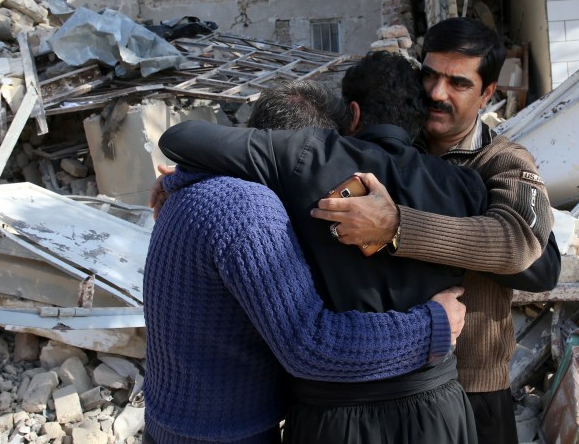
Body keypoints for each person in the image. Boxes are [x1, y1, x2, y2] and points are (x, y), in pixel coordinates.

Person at [156, 52, 488, 443]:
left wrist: (185, 175)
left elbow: (181, 138)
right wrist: (435, 322)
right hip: (438, 408)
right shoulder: (468, 185)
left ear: (354, 115)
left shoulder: (306, 162)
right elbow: (533, 263)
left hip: (332, 418)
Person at [311, 17, 557, 444]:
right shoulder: (387, 148)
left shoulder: (503, 162)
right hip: (385, 382)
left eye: (458, 83)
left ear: (487, 93)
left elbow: (525, 249)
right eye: (430, 75)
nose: (437, 94)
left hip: (473, 388)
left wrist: (397, 226)